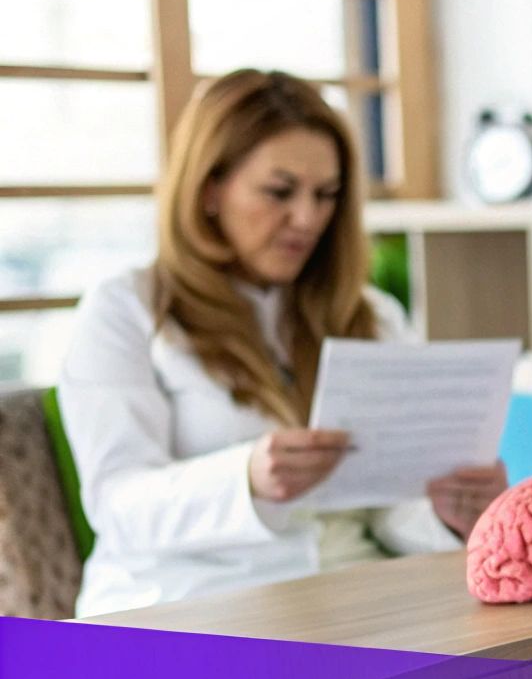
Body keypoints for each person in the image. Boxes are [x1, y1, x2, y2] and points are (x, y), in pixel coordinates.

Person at [61, 70, 508, 618]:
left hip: (351, 600)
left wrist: (445, 511)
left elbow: (388, 510)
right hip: (189, 606)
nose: (307, 218)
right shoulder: (125, 310)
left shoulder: (370, 316)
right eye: (279, 192)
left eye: (326, 196)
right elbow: (117, 505)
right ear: (209, 189)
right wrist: (245, 479)